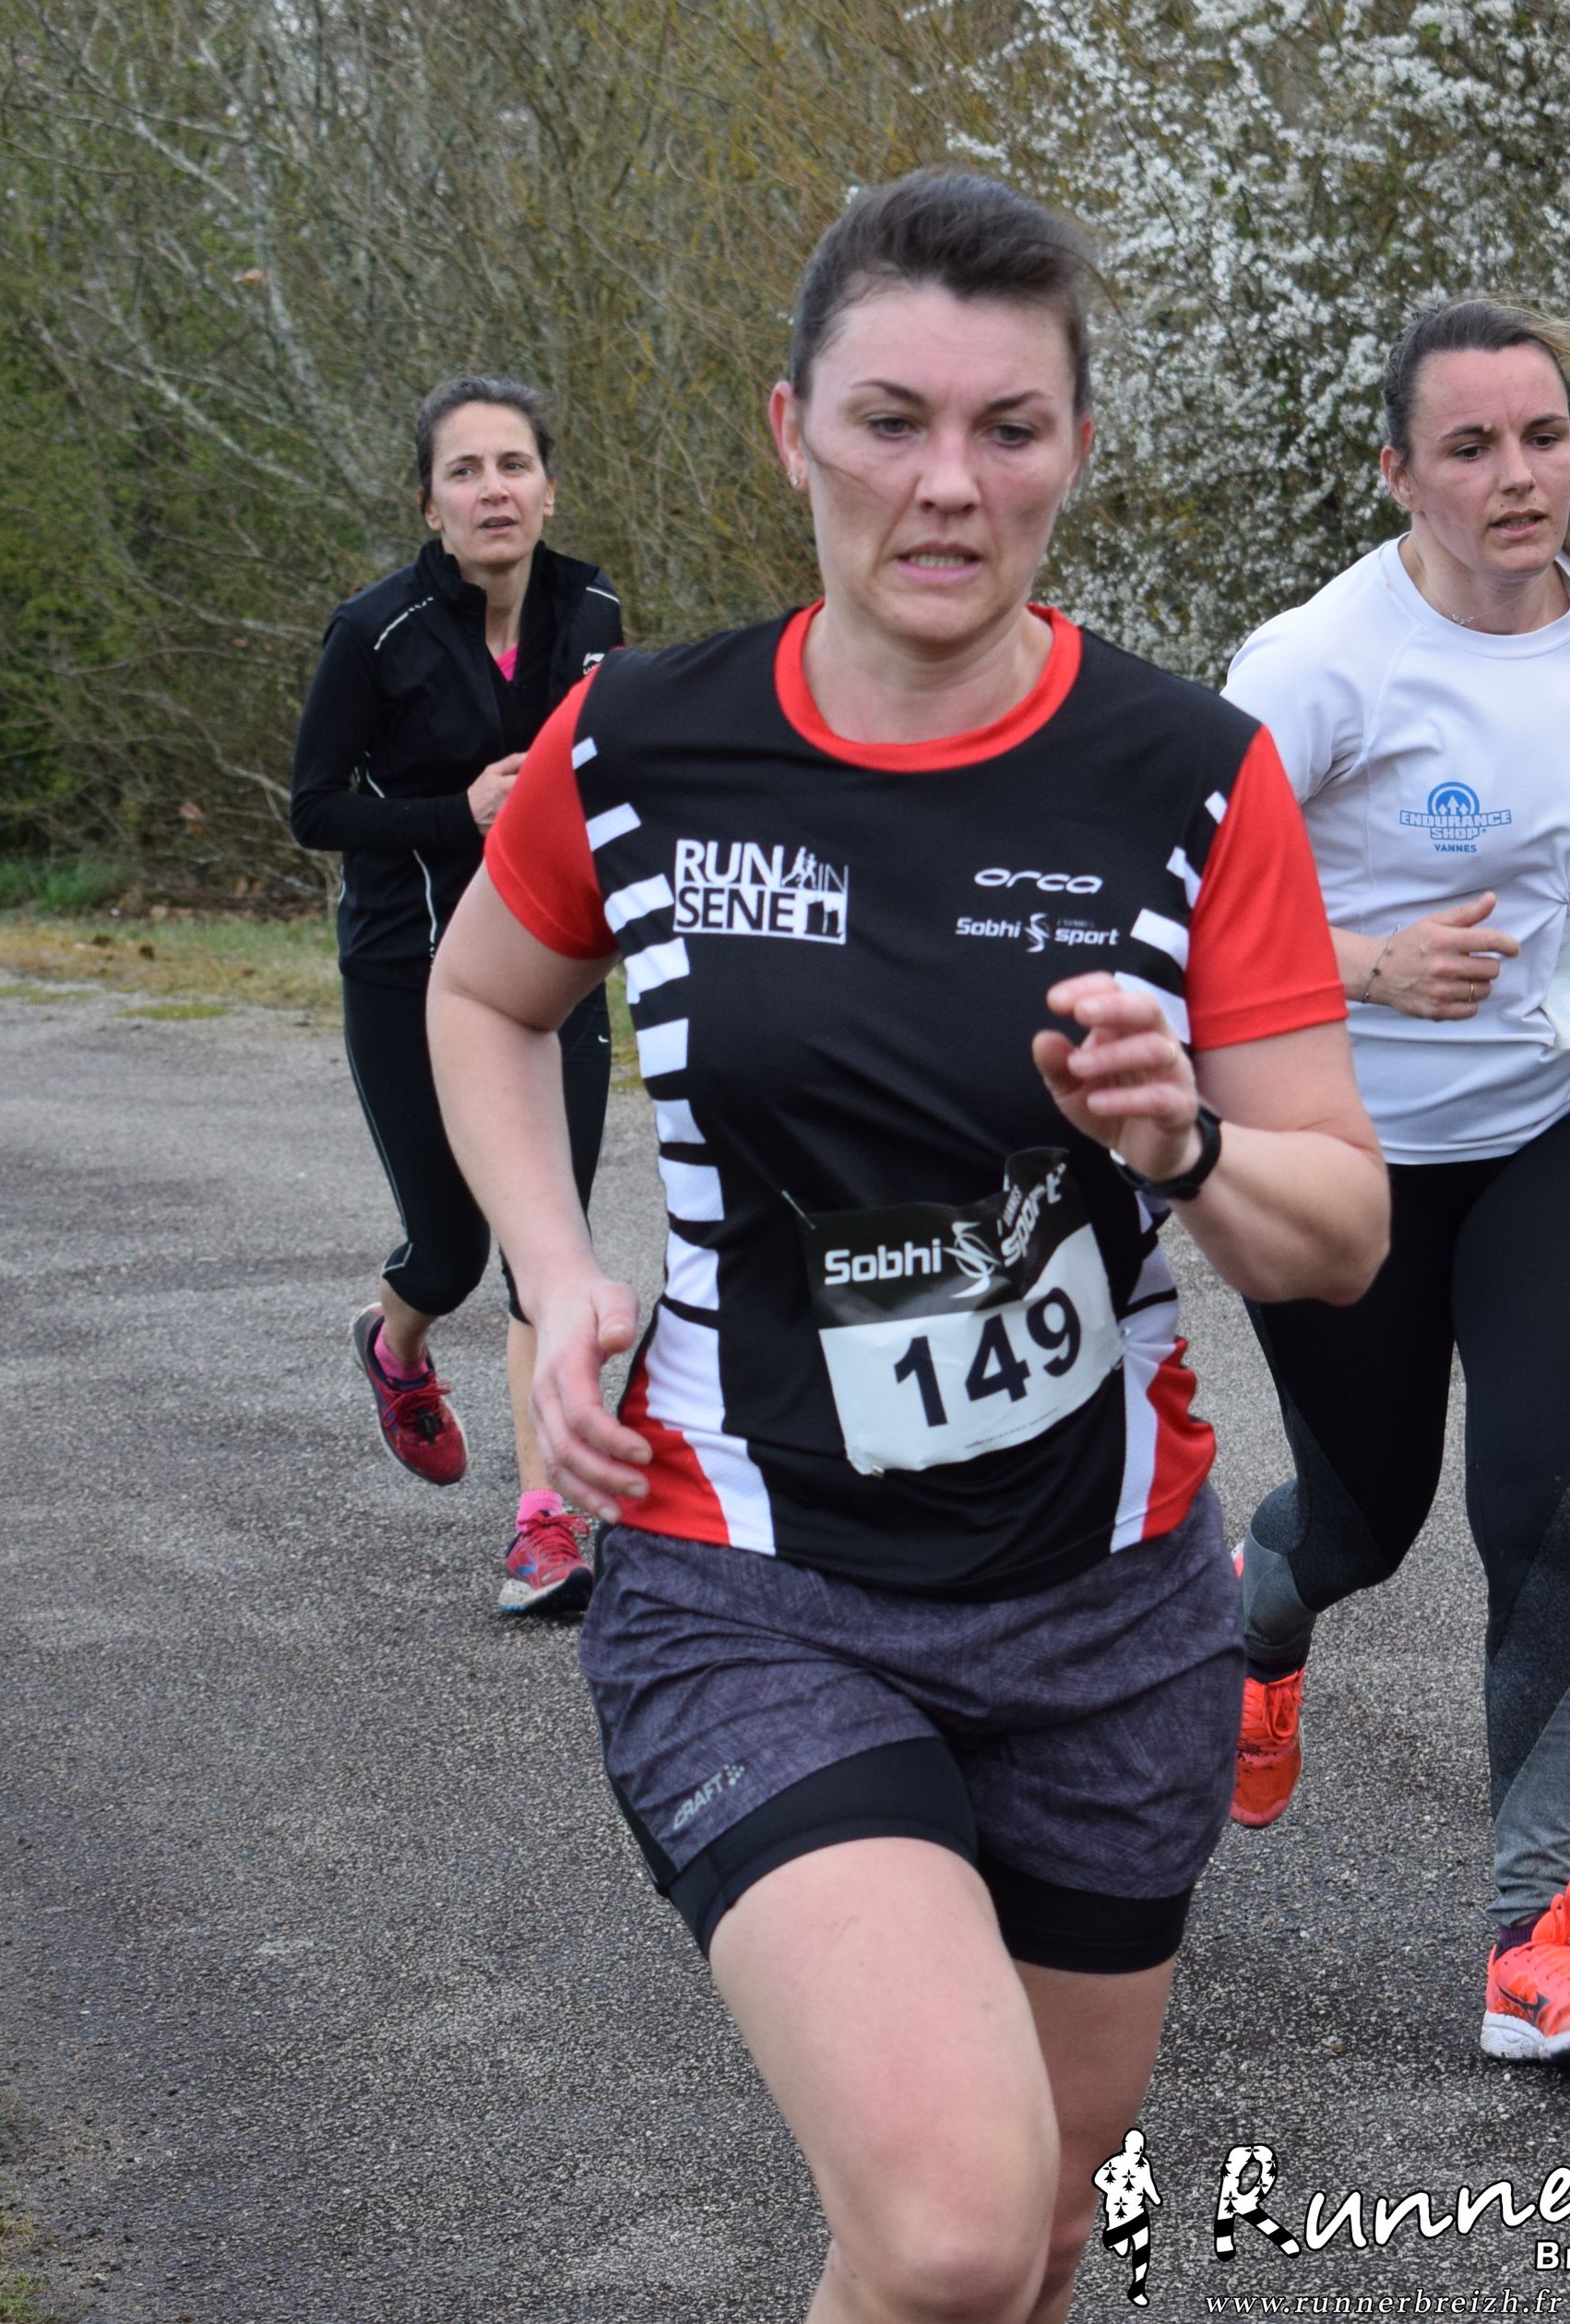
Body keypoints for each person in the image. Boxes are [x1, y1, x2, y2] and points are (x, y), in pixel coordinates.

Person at [426, 168, 1388, 2324]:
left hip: (1110, 1614)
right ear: (792, 434)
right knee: (950, 2229)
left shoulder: (1188, 776)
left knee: (1035, 2237)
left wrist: (1186, 1136)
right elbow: (484, 997)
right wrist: (551, 1275)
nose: (948, 484)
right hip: (748, 1579)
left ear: (1073, 450)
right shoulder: (644, 741)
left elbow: (1336, 1232)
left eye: (1007, 428)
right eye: (890, 422)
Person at [1219, 298, 1570, 2067]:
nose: (1518, 475)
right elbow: (1184, 913)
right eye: (1473, 446)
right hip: (1349, 1155)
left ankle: (1534, 1939)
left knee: (1550, 1511)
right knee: (1367, 1521)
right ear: (1397, 470)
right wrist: (1365, 964)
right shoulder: (1319, 666)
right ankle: (1254, 1622)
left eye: (1545, 436)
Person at [289, 375, 626, 1616]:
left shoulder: (594, 612)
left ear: (550, 488)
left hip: (554, 972)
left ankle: (547, 1524)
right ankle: (395, 1344)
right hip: (408, 969)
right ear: (429, 504)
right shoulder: (373, 632)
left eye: (514, 465)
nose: (494, 490)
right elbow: (314, 808)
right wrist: (460, 812)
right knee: (452, 1249)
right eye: (465, 471)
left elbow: (611, 772)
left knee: (550, 1251)